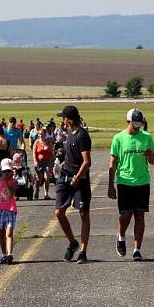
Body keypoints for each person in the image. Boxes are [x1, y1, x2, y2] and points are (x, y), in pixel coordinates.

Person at [108, 108, 154, 261]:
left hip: (142, 182)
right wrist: (110, 185)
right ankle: (121, 236)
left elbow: (153, 161)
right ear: (127, 122)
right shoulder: (118, 139)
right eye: (134, 124)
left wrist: (150, 154)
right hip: (124, 182)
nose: (137, 127)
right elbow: (113, 163)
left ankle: (137, 249)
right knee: (125, 215)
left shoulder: (147, 137)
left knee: (139, 215)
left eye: (139, 125)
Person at [54, 106, 92, 264]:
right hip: (65, 177)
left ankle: (83, 251)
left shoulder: (82, 135)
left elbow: (87, 162)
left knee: (83, 213)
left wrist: (77, 178)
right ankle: (73, 243)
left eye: (63, 117)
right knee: (58, 212)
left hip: (79, 179)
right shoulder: (68, 133)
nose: (62, 120)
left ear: (69, 119)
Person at [33, 128, 54, 200]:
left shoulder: (48, 141)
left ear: (45, 134)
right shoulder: (37, 142)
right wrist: (35, 161)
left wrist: (52, 162)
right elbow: (34, 153)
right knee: (39, 179)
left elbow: (52, 152)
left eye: (42, 134)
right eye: (40, 134)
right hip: (39, 162)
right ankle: (37, 189)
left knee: (47, 176)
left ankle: (46, 194)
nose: (41, 136)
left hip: (47, 161)